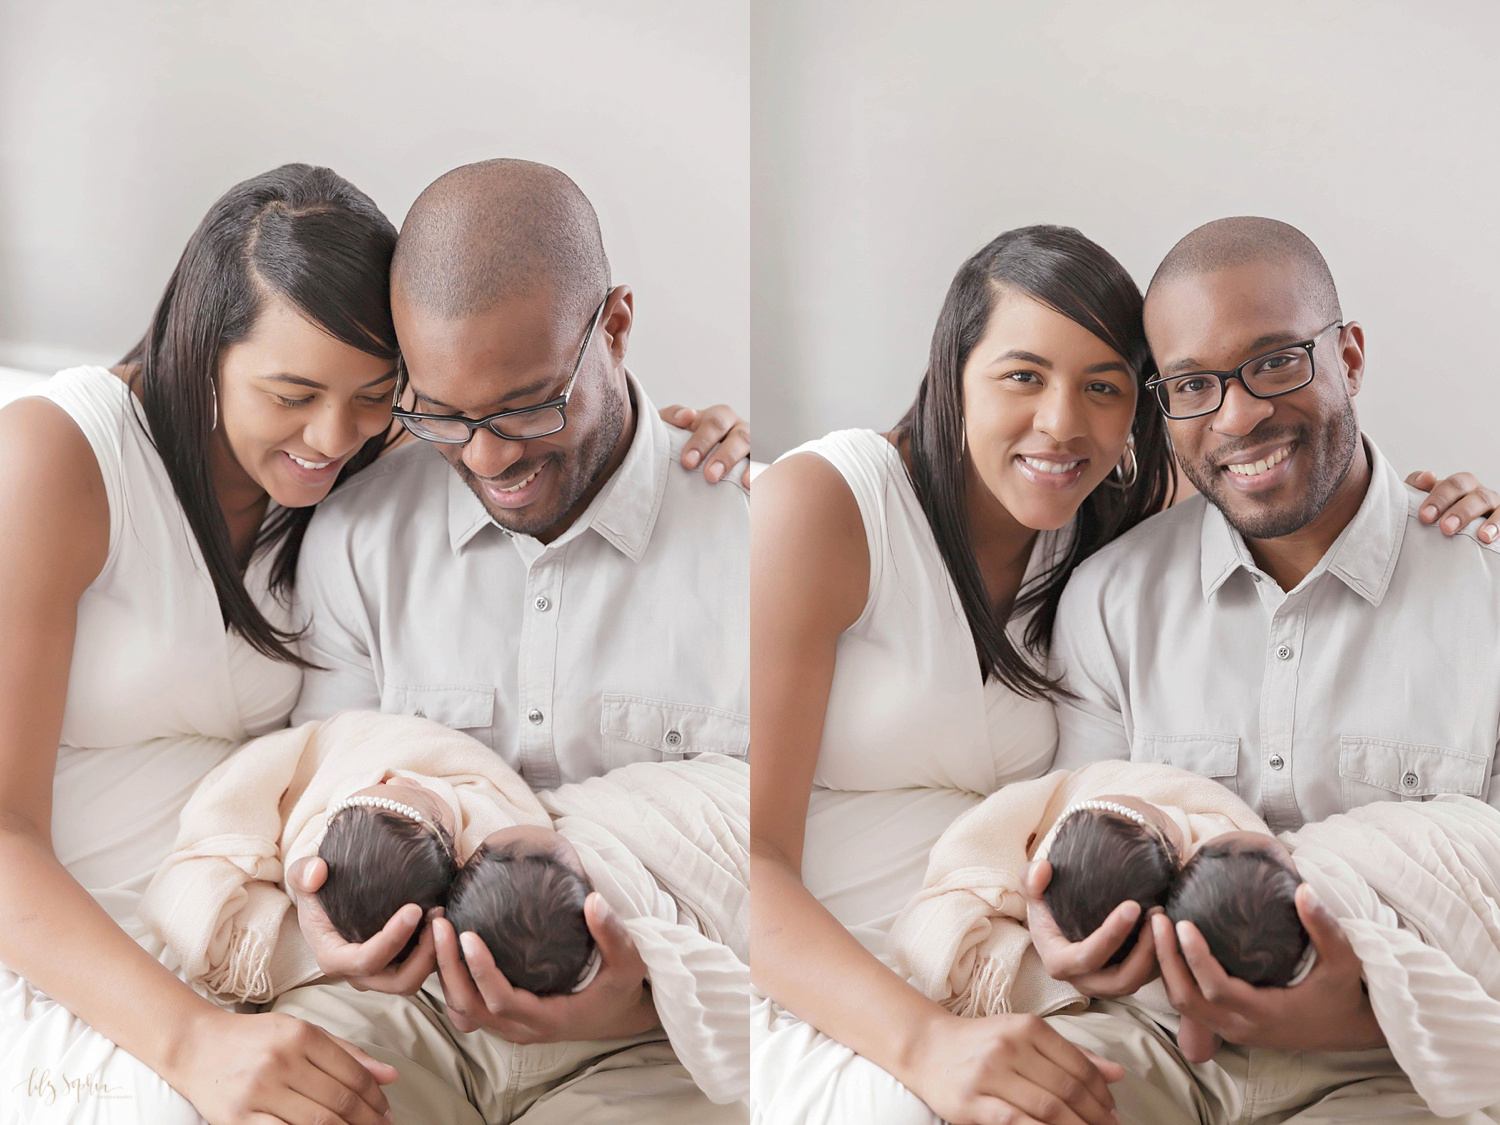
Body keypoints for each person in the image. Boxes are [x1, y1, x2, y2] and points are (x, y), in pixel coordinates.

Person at [0, 161, 747, 1125]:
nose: (329, 434)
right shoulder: (66, 462)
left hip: (320, 950)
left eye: (374, 397)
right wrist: (194, 1034)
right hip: (107, 952)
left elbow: (525, 408)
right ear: (203, 348)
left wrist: (686, 444)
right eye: (291, 392)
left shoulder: (372, 457)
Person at [749, 223, 1499, 1125]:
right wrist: (1015, 972)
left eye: (1102, 387)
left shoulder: (1101, 514)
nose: (1237, 414)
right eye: (1022, 374)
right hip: (902, 986)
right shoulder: (1094, 578)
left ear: (1349, 356)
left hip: (1372, 1047)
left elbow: (1263, 476)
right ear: (953, 374)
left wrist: (1443, 525)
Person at [269, 159, 751, 1124]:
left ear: (613, 327)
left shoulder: (757, 540)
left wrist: (645, 988)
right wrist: (324, 892)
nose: (489, 457)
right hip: (403, 1018)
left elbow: (770, 863)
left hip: (653, 1038)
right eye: (444, 415)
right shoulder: (361, 536)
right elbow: (323, 770)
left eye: (529, 405)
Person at [1030, 216, 1500, 1123]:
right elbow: (1075, 841)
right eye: (1194, 386)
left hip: (1398, 1061)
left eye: (1277, 361)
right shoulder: (1106, 600)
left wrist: (1362, 1018)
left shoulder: (1482, 592)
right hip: (1149, 1044)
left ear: (1349, 358)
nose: (1239, 414)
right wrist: (1072, 935)